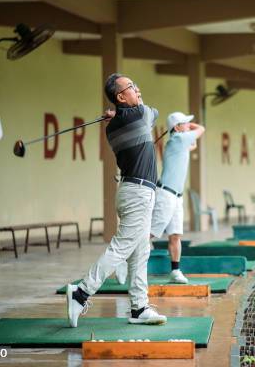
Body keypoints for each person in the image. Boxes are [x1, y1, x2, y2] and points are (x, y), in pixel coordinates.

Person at [66, 73, 167, 328]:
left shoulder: (112, 126)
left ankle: (139, 308)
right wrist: (119, 111)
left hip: (133, 191)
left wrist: (115, 114)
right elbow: (154, 112)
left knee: (141, 251)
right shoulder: (139, 114)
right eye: (132, 87)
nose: (138, 89)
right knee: (122, 248)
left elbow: (135, 113)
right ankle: (81, 293)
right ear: (121, 96)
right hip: (138, 193)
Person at [114, 112, 205, 285]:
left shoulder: (180, 142)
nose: (188, 125)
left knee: (175, 235)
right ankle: (122, 261)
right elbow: (201, 129)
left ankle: (175, 271)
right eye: (185, 123)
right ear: (177, 128)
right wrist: (187, 127)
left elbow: (193, 143)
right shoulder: (178, 140)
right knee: (150, 233)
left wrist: (182, 126)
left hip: (177, 196)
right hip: (166, 195)